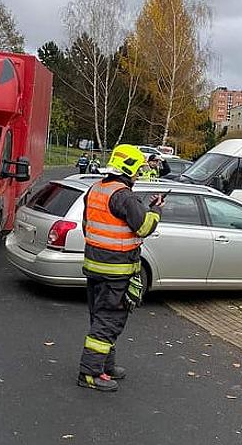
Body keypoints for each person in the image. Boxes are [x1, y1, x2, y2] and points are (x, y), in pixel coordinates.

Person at [78, 144, 164, 392]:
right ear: (129, 169)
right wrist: (156, 210)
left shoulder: (96, 189)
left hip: (94, 267)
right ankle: (90, 373)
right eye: (138, 170)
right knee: (109, 320)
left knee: (100, 317)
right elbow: (144, 227)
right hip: (116, 271)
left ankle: (105, 365)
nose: (138, 175)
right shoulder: (124, 195)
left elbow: (89, 227)